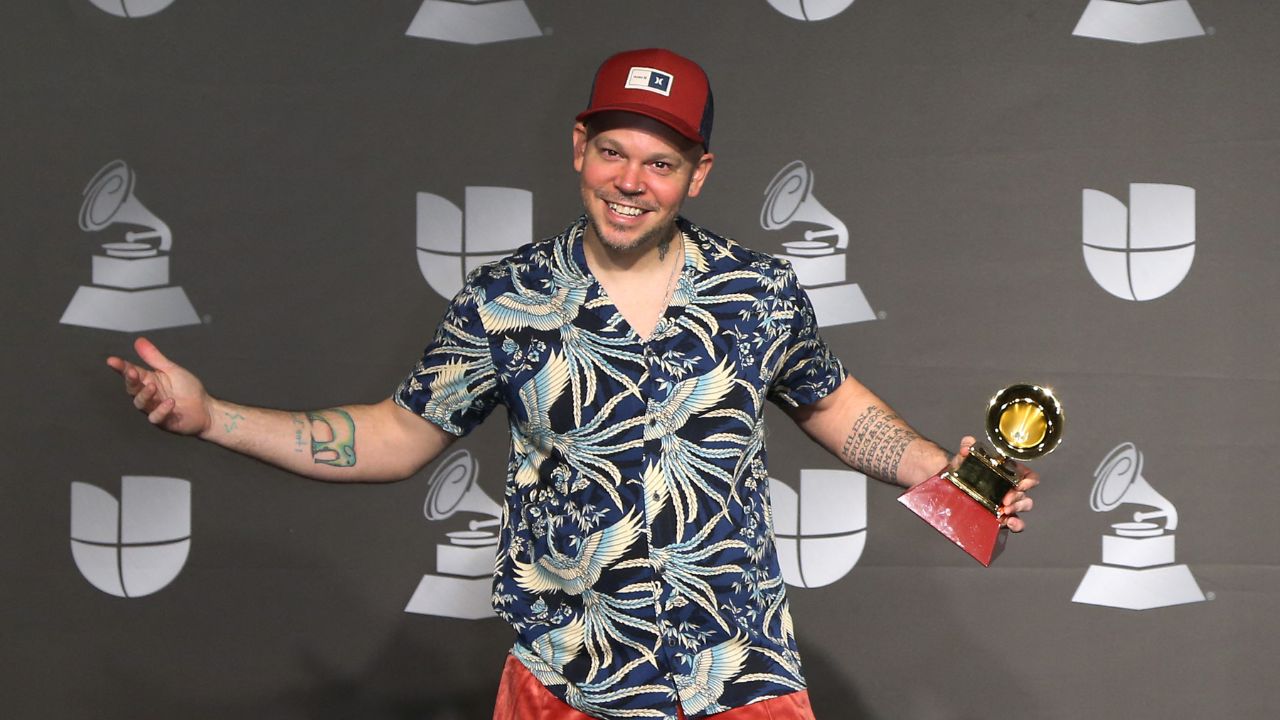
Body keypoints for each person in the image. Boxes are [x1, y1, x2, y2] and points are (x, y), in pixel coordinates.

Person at [108, 48, 1039, 720]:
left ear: (698, 174)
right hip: (570, 682)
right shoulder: (505, 299)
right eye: (612, 152)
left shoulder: (758, 291)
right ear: (578, 148)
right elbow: (395, 437)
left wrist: (949, 475)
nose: (630, 182)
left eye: (661, 163)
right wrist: (210, 418)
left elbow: (833, 403)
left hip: (740, 673)